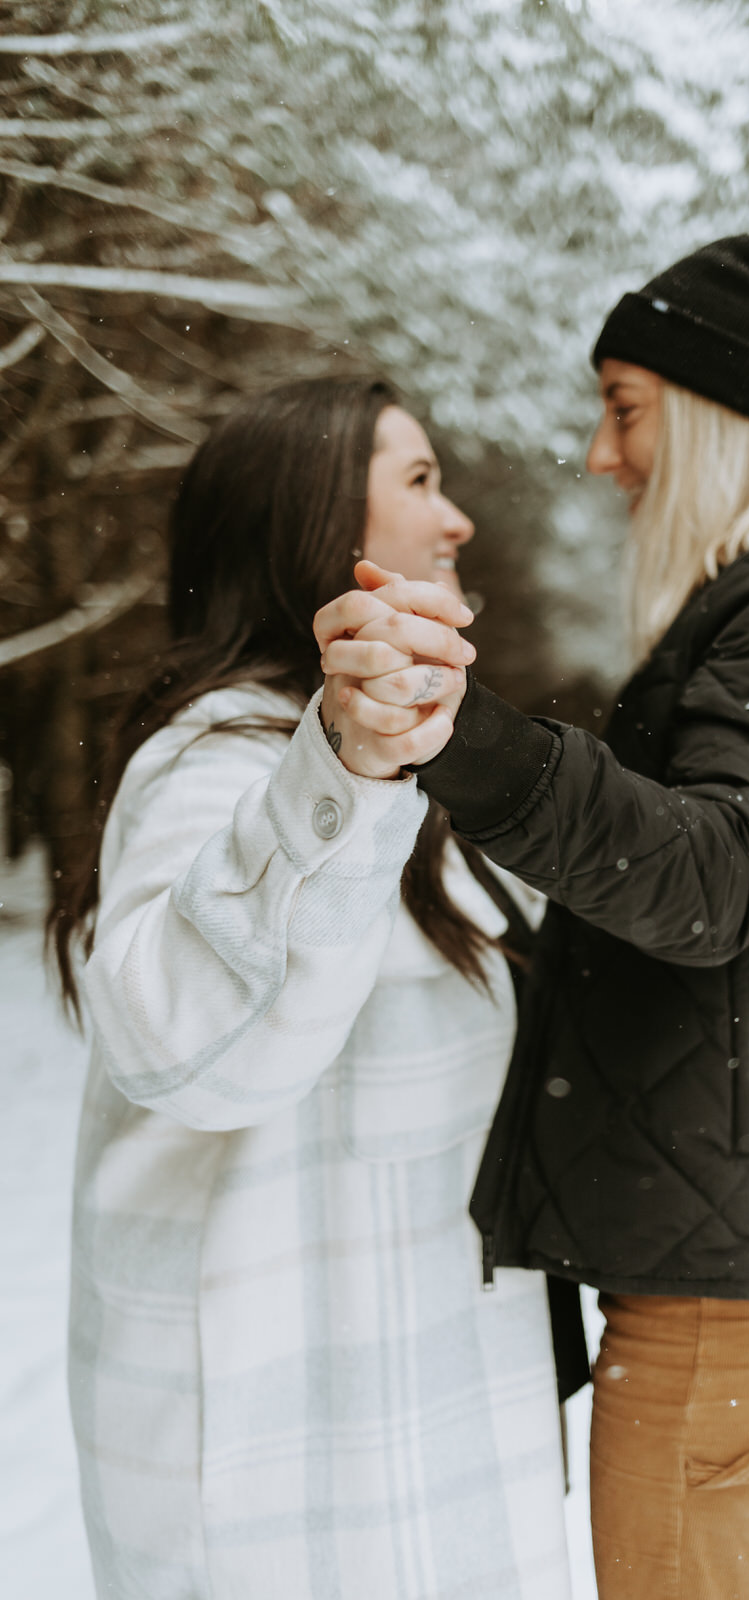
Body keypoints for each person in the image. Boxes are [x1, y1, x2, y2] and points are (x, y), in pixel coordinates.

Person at [323, 234, 749, 1600]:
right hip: (736, 1271)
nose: (600, 455)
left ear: (720, 416)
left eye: (624, 406)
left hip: (738, 1302)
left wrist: (462, 741)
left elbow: (710, 877)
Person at [50, 378, 583, 1600]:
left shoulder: (389, 766)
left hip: (416, 1448)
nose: (454, 522)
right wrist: (340, 764)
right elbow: (186, 1046)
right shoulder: (220, 760)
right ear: (316, 535)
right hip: (277, 1487)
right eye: (417, 482)